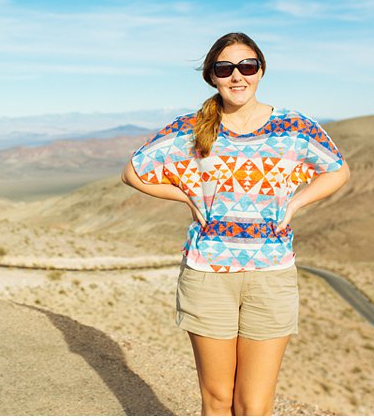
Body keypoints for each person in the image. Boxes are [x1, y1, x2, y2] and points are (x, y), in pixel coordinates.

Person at [121, 32, 350, 416]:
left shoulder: (296, 127)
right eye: (225, 68)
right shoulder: (191, 127)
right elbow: (133, 172)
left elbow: (337, 171)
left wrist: (295, 203)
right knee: (216, 399)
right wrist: (187, 197)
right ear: (212, 76)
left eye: (247, 66)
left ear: (260, 71)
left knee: (254, 405)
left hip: (271, 276)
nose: (237, 76)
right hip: (208, 274)